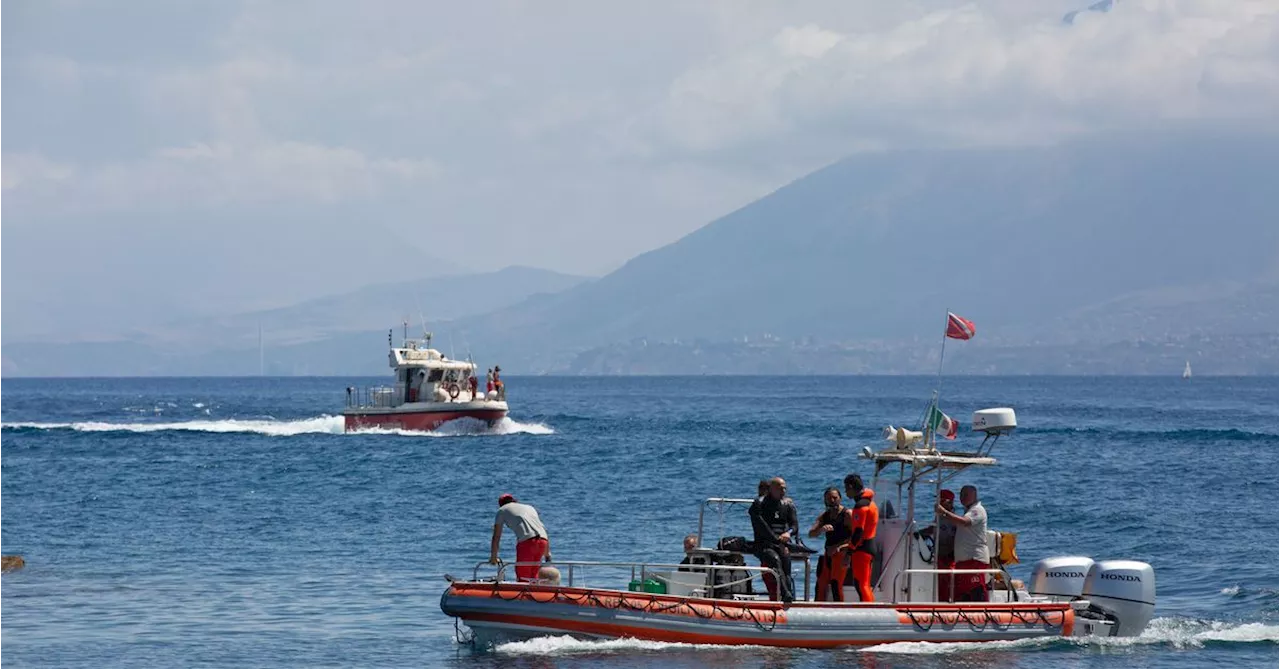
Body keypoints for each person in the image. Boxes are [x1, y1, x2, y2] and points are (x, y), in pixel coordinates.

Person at [749, 477, 799, 603]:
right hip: (764, 544)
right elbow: (762, 528)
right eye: (780, 488)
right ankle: (785, 593)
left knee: (786, 563)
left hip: (782, 543)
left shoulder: (788, 504)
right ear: (771, 489)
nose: (783, 491)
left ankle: (789, 597)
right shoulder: (758, 504)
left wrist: (788, 533)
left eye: (785, 488)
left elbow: (795, 526)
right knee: (774, 560)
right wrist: (778, 542)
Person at [937, 484, 989, 602]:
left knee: (975, 589)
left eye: (966, 495)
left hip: (974, 559)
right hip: (964, 560)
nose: (963, 497)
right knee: (964, 590)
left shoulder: (977, 510)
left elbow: (965, 522)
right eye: (961, 495)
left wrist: (944, 512)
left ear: (974, 495)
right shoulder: (968, 511)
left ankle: (981, 612)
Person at [489, 493, 552, 581]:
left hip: (527, 542)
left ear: (501, 504)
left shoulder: (502, 510)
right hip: (543, 541)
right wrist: (547, 554)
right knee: (534, 574)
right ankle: (534, 592)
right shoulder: (530, 507)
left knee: (523, 576)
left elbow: (496, 536)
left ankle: (524, 593)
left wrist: (493, 557)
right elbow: (541, 529)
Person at [808, 487, 853, 601]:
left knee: (835, 584)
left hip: (842, 554)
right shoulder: (825, 516)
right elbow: (811, 534)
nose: (832, 501)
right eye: (829, 498)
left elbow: (857, 537)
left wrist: (840, 547)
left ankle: (840, 610)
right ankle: (818, 609)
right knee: (820, 584)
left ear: (840, 499)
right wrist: (821, 530)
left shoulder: (847, 514)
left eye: (835, 498)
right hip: (828, 554)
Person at [918, 489, 959, 601]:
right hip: (940, 555)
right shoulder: (940, 517)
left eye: (940, 501)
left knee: (946, 583)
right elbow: (934, 528)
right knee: (939, 582)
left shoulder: (951, 519)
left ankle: (945, 603)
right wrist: (918, 533)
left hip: (948, 557)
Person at [844, 474, 879, 602]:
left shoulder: (861, 506)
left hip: (862, 549)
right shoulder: (871, 503)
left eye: (846, 488)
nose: (845, 491)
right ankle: (869, 606)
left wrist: (849, 551)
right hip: (869, 546)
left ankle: (869, 610)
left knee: (861, 584)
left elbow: (858, 531)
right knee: (864, 583)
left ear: (851, 487)